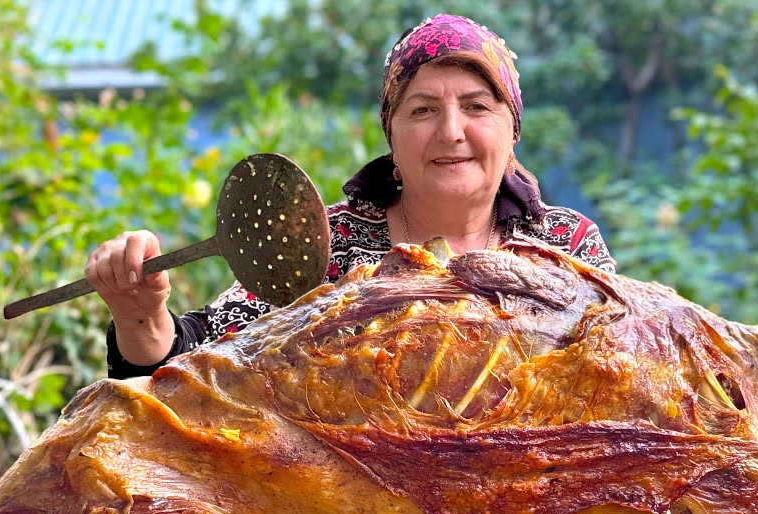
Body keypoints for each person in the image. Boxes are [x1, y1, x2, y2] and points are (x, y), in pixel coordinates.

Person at [87, 13, 617, 380]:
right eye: (423, 110)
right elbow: (199, 366)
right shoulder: (327, 245)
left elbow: (624, 381)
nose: (451, 131)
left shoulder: (565, 247)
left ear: (513, 130)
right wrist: (141, 319)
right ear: (392, 133)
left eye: (477, 107)